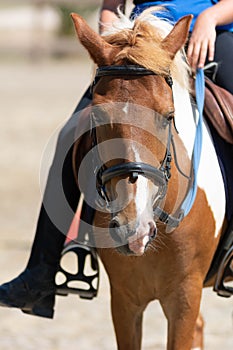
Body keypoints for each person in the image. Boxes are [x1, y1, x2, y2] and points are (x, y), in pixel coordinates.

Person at [0, 0, 232, 319]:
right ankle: (40, 272)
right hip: (136, 48)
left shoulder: (210, 24)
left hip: (208, 37)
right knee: (71, 137)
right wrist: (110, 38)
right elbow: (111, 5)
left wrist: (211, 17)